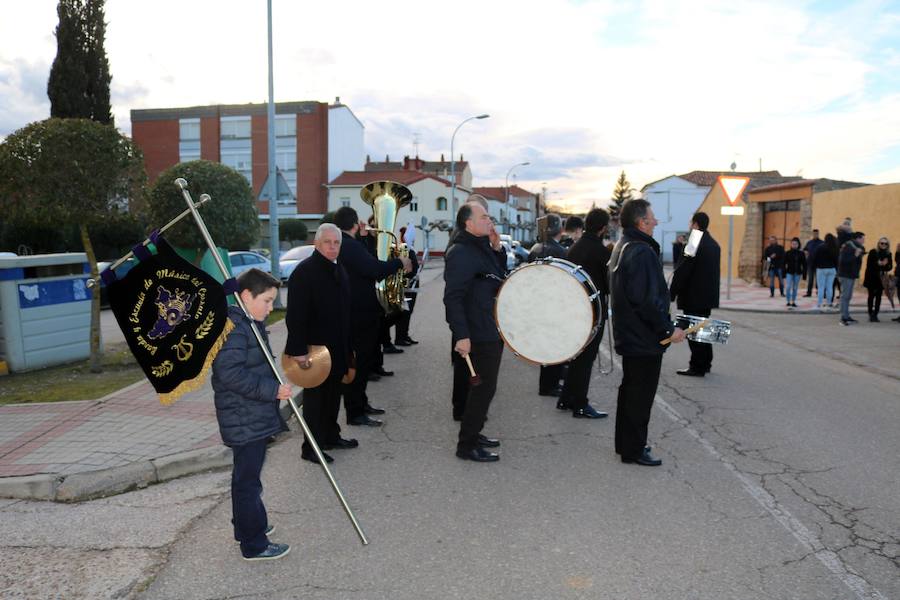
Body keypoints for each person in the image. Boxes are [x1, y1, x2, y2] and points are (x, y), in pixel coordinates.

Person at [211, 268, 292, 561]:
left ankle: (245, 525)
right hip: (244, 417)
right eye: (267, 301)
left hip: (249, 414)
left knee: (246, 477)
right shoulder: (234, 328)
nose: (271, 308)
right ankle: (254, 543)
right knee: (248, 481)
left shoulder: (248, 322)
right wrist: (272, 391)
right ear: (246, 296)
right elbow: (229, 373)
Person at [609, 199, 685, 467]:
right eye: (652, 217)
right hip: (642, 339)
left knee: (630, 392)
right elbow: (645, 300)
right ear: (642, 222)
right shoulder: (641, 252)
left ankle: (626, 444)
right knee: (639, 396)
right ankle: (633, 450)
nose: (656, 221)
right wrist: (668, 329)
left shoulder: (624, 246)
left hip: (631, 336)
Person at [284, 224, 355, 465]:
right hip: (314, 351)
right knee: (315, 401)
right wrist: (298, 351)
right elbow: (295, 315)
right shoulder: (305, 273)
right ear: (317, 244)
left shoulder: (340, 269)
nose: (333, 247)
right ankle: (311, 447)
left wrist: (348, 347)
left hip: (337, 348)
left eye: (337, 243)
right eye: (328, 242)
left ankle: (330, 436)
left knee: (334, 395)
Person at [335, 206, 412, 427]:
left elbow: (368, 261)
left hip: (358, 311)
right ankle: (355, 412)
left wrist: (365, 238)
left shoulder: (349, 244)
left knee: (363, 362)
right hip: (359, 313)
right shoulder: (348, 245)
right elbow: (373, 268)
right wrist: (399, 263)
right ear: (353, 224)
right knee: (359, 364)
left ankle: (361, 403)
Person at [444, 201, 506, 462]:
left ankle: (474, 432)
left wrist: (496, 247)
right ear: (468, 223)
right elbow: (453, 298)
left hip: (488, 325)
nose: (489, 220)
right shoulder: (461, 252)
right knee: (483, 390)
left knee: (483, 390)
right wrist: (462, 335)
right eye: (483, 217)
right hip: (477, 331)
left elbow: (498, 275)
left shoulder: (479, 246)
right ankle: (466, 446)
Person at [557, 208, 611, 418]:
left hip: (575, 308)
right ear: (603, 228)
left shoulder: (575, 247)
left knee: (576, 355)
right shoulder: (601, 251)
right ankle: (580, 404)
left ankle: (566, 399)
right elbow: (608, 285)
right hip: (592, 311)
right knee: (586, 358)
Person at [669, 212, 721, 376]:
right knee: (704, 328)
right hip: (708, 296)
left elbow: (682, 271)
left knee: (693, 331)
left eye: (691, 223)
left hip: (692, 296)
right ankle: (706, 363)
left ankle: (697, 367)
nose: (690, 225)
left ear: (696, 224)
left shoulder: (694, 241)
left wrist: (671, 293)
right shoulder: (713, 243)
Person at [528, 213, 568, 397]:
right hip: (553, 304)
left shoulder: (535, 248)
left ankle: (549, 382)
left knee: (546, 345)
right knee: (554, 346)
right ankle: (549, 385)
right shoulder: (559, 251)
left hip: (538, 303)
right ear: (559, 229)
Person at [838, 231, 866, 325]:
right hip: (846, 275)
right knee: (845, 296)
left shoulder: (855, 247)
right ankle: (843, 318)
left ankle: (847, 316)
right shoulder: (848, 246)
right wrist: (855, 255)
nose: (864, 240)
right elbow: (843, 261)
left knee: (848, 296)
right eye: (863, 238)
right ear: (858, 238)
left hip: (851, 275)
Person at [863, 237, 893, 322]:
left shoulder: (888, 254)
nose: (883, 245)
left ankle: (875, 314)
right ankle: (870, 313)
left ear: (888, 245)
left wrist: (885, 265)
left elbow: (889, 267)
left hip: (881, 279)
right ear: (878, 244)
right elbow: (869, 265)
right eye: (882, 243)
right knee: (871, 296)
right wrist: (878, 263)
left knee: (879, 296)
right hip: (871, 277)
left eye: (886, 244)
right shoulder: (873, 252)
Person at [813, 233, 839, 310]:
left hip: (821, 269)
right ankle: (829, 303)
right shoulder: (835, 248)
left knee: (821, 287)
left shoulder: (820, 247)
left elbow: (815, 258)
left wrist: (815, 266)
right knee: (829, 287)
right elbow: (837, 260)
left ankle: (819, 303)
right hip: (832, 269)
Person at [783, 237, 806, 308]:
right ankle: (788, 301)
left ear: (798, 244)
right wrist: (784, 274)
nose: (794, 245)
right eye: (793, 244)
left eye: (796, 244)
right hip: (789, 272)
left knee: (795, 288)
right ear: (791, 244)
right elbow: (783, 263)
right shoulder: (787, 253)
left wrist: (804, 275)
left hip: (797, 273)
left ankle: (793, 301)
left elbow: (804, 264)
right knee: (788, 287)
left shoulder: (801, 253)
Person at [802, 229, 823, 297]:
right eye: (814, 234)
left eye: (816, 234)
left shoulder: (821, 242)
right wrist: (805, 252)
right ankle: (809, 292)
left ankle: (818, 292)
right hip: (810, 263)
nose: (815, 235)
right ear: (812, 234)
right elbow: (805, 249)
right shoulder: (809, 242)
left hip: (818, 263)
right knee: (810, 279)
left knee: (818, 279)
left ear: (818, 234)